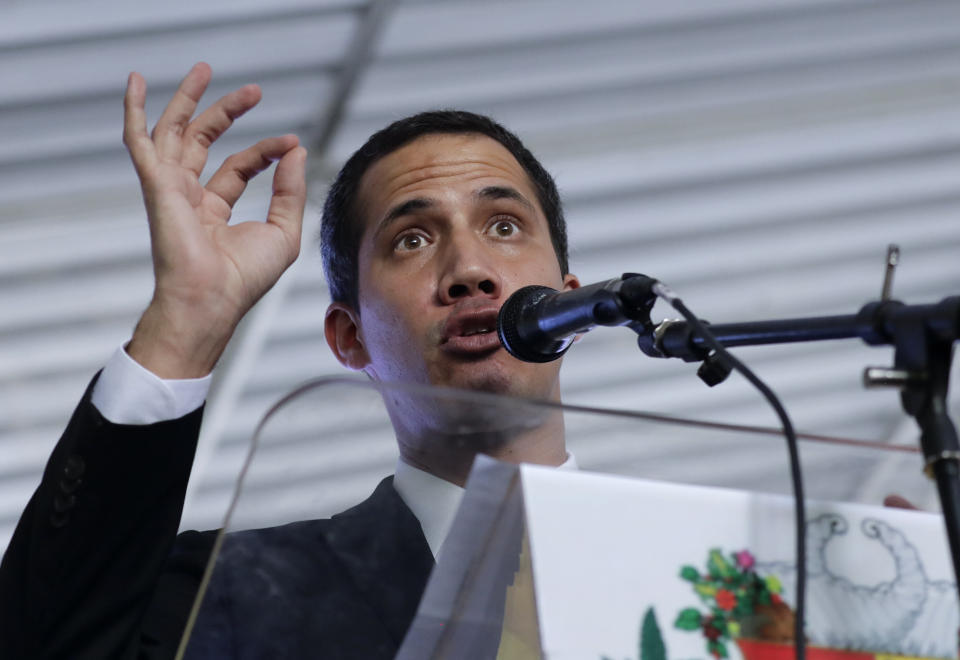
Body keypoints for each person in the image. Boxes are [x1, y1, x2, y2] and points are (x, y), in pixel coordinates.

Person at [0, 63, 580, 659]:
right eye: (412, 238)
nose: (469, 271)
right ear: (349, 337)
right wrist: (184, 322)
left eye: (504, 226)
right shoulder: (236, 593)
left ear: (574, 304)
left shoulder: (679, 558)